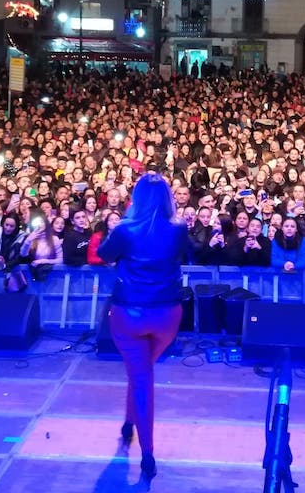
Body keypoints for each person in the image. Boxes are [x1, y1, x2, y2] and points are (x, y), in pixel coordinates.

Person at [97, 172, 189, 482]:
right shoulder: (178, 229)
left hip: (130, 314)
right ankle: (127, 424)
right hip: (167, 314)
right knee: (141, 371)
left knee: (141, 376)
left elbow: (103, 254)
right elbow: (188, 254)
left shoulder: (125, 229)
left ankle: (147, 454)